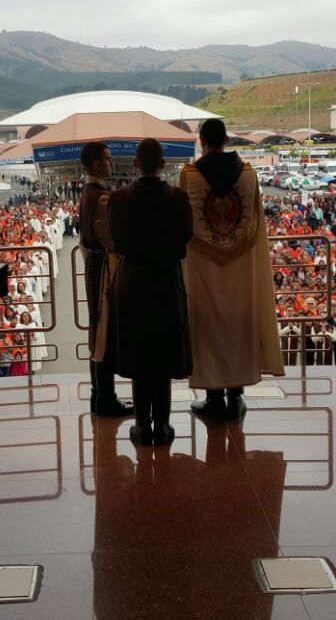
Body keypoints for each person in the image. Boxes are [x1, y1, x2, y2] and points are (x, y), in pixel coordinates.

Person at [179, 119, 285, 420]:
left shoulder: (189, 177)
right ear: (226, 140)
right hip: (242, 271)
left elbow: (182, 223)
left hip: (204, 272)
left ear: (201, 141)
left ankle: (214, 399)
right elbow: (256, 227)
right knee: (239, 327)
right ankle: (236, 397)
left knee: (209, 329)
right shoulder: (249, 176)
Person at [109, 139, 192, 445]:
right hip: (166, 280)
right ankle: (164, 425)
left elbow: (116, 241)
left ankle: (142, 424)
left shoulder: (119, 198)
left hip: (133, 281)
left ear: (135, 164)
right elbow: (186, 238)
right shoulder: (178, 197)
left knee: (139, 350)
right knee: (163, 350)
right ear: (163, 164)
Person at [79, 141, 131, 416]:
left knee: (97, 330)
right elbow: (110, 238)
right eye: (108, 159)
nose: (112, 164)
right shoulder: (100, 197)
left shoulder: (87, 192)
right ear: (97, 164)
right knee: (103, 333)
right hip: (104, 269)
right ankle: (106, 398)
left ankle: (98, 395)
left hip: (93, 266)